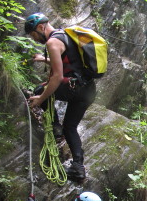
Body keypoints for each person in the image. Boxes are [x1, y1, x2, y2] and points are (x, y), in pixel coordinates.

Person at [24, 13, 97, 182]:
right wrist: (44, 59)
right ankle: (78, 167)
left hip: (73, 89)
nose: (34, 39)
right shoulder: (66, 35)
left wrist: (40, 99)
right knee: (70, 127)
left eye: (33, 35)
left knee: (39, 89)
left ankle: (56, 127)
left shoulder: (52, 42)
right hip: (88, 90)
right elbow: (69, 62)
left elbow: (57, 77)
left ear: (40, 27)